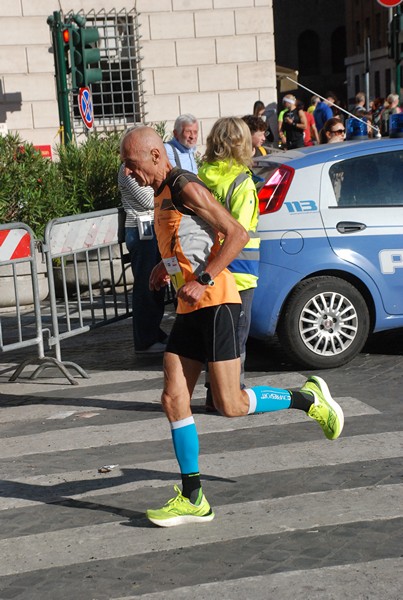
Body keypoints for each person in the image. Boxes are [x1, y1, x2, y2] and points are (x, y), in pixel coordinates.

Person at [120, 126, 344, 528]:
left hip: (219, 303)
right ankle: (193, 496)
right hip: (191, 309)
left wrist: (203, 278)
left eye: (132, 165)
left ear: (155, 156)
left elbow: (237, 233)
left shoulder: (184, 185)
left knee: (231, 404)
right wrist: (163, 266)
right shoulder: (160, 194)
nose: (129, 173)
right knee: (173, 398)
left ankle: (307, 399)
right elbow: (189, 240)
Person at [199, 117, 260, 409]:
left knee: (214, 336)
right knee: (236, 340)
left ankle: (213, 394)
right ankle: (233, 394)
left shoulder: (200, 177)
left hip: (204, 272)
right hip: (239, 273)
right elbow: (241, 233)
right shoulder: (242, 182)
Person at [118, 161, 167, 355]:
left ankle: (154, 332)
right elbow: (148, 199)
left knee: (157, 287)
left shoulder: (142, 168)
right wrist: (163, 189)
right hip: (140, 231)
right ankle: (145, 340)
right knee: (145, 286)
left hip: (153, 229)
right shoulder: (128, 169)